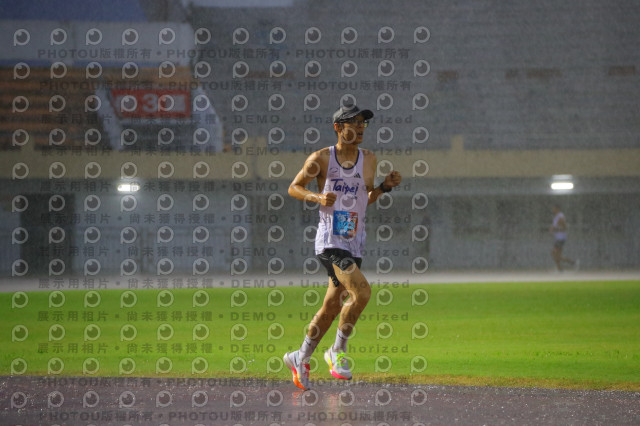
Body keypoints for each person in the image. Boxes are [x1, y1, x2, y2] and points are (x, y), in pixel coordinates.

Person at [283, 104, 402, 390]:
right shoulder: (321, 158)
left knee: (332, 306)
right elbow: (294, 187)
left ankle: (300, 356)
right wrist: (317, 197)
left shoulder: (369, 159)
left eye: (363, 123)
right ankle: (337, 351)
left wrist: (384, 188)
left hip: (354, 240)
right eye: (354, 122)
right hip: (330, 241)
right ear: (338, 127)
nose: (360, 128)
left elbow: (365, 198)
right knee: (362, 292)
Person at [549, 205, 578, 272]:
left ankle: (571, 263)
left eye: (553, 209)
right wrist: (552, 229)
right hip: (558, 238)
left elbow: (565, 227)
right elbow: (555, 226)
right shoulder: (556, 217)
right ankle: (562, 268)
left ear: (557, 209)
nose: (552, 210)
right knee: (556, 255)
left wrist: (555, 229)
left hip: (561, 238)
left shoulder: (560, 216)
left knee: (554, 254)